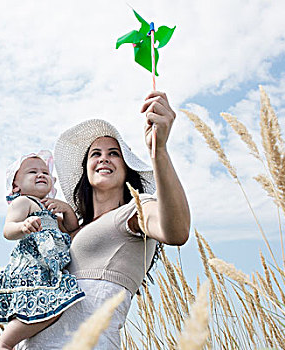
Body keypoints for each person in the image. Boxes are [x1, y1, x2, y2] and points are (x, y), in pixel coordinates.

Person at [17, 91, 190, 349]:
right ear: (86, 170)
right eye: (95, 154)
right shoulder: (71, 229)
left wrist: (159, 152)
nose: (104, 158)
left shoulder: (135, 211)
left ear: (126, 167)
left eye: (114, 153)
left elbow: (176, 231)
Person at [0, 150, 86, 350]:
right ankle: (3, 343)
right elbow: (8, 229)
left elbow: (71, 228)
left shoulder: (48, 207)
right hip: (32, 271)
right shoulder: (23, 202)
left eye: (45, 172)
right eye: (32, 172)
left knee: (52, 308)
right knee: (43, 309)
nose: (41, 174)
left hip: (48, 272)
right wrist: (23, 226)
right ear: (16, 186)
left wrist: (66, 209)